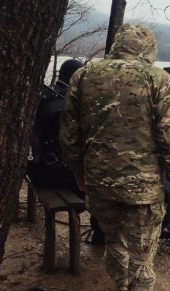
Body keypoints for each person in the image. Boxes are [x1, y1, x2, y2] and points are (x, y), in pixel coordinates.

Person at [60, 24, 170, 291]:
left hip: (98, 183)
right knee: (142, 252)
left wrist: (80, 173)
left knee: (113, 239)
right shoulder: (157, 78)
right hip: (142, 189)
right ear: (147, 48)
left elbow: (68, 135)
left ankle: (121, 288)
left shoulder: (83, 76)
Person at [26, 59, 105, 244]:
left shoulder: (44, 94)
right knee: (102, 189)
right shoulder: (64, 106)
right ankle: (101, 237)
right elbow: (73, 146)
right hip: (50, 175)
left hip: (33, 168)